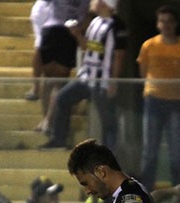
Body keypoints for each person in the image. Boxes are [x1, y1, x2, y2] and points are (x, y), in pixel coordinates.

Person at [39, 0, 127, 150]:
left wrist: (113, 81)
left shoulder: (117, 26)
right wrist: (77, 35)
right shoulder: (95, 22)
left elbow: (119, 55)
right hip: (87, 77)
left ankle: (109, 155)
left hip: (102, 81)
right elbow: (88, 46)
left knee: (108, 121)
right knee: (62, 99)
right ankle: (59, 139)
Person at [137, 5, 180, 190]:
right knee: (150, 148)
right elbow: (143, 71)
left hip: (177, 101)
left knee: (177, 149)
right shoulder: (149, 45)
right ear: (157, 24)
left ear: (175, 24)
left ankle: (179, 189)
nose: (166, 25)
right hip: (153, 99)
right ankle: (146, 189)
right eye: (162, 21)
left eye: (169, 21)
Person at [34, 0, 91, 132]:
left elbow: (85, 13)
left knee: (58, 79)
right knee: (50, 79)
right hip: (53, 28)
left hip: (66, 31)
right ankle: (46, 119)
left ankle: (48, 120)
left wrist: (79, 29)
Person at [24, 0, 52, 102]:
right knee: (41, 44)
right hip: (46, 8)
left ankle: (46, 86)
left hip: (60, 8)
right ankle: (36, 88)